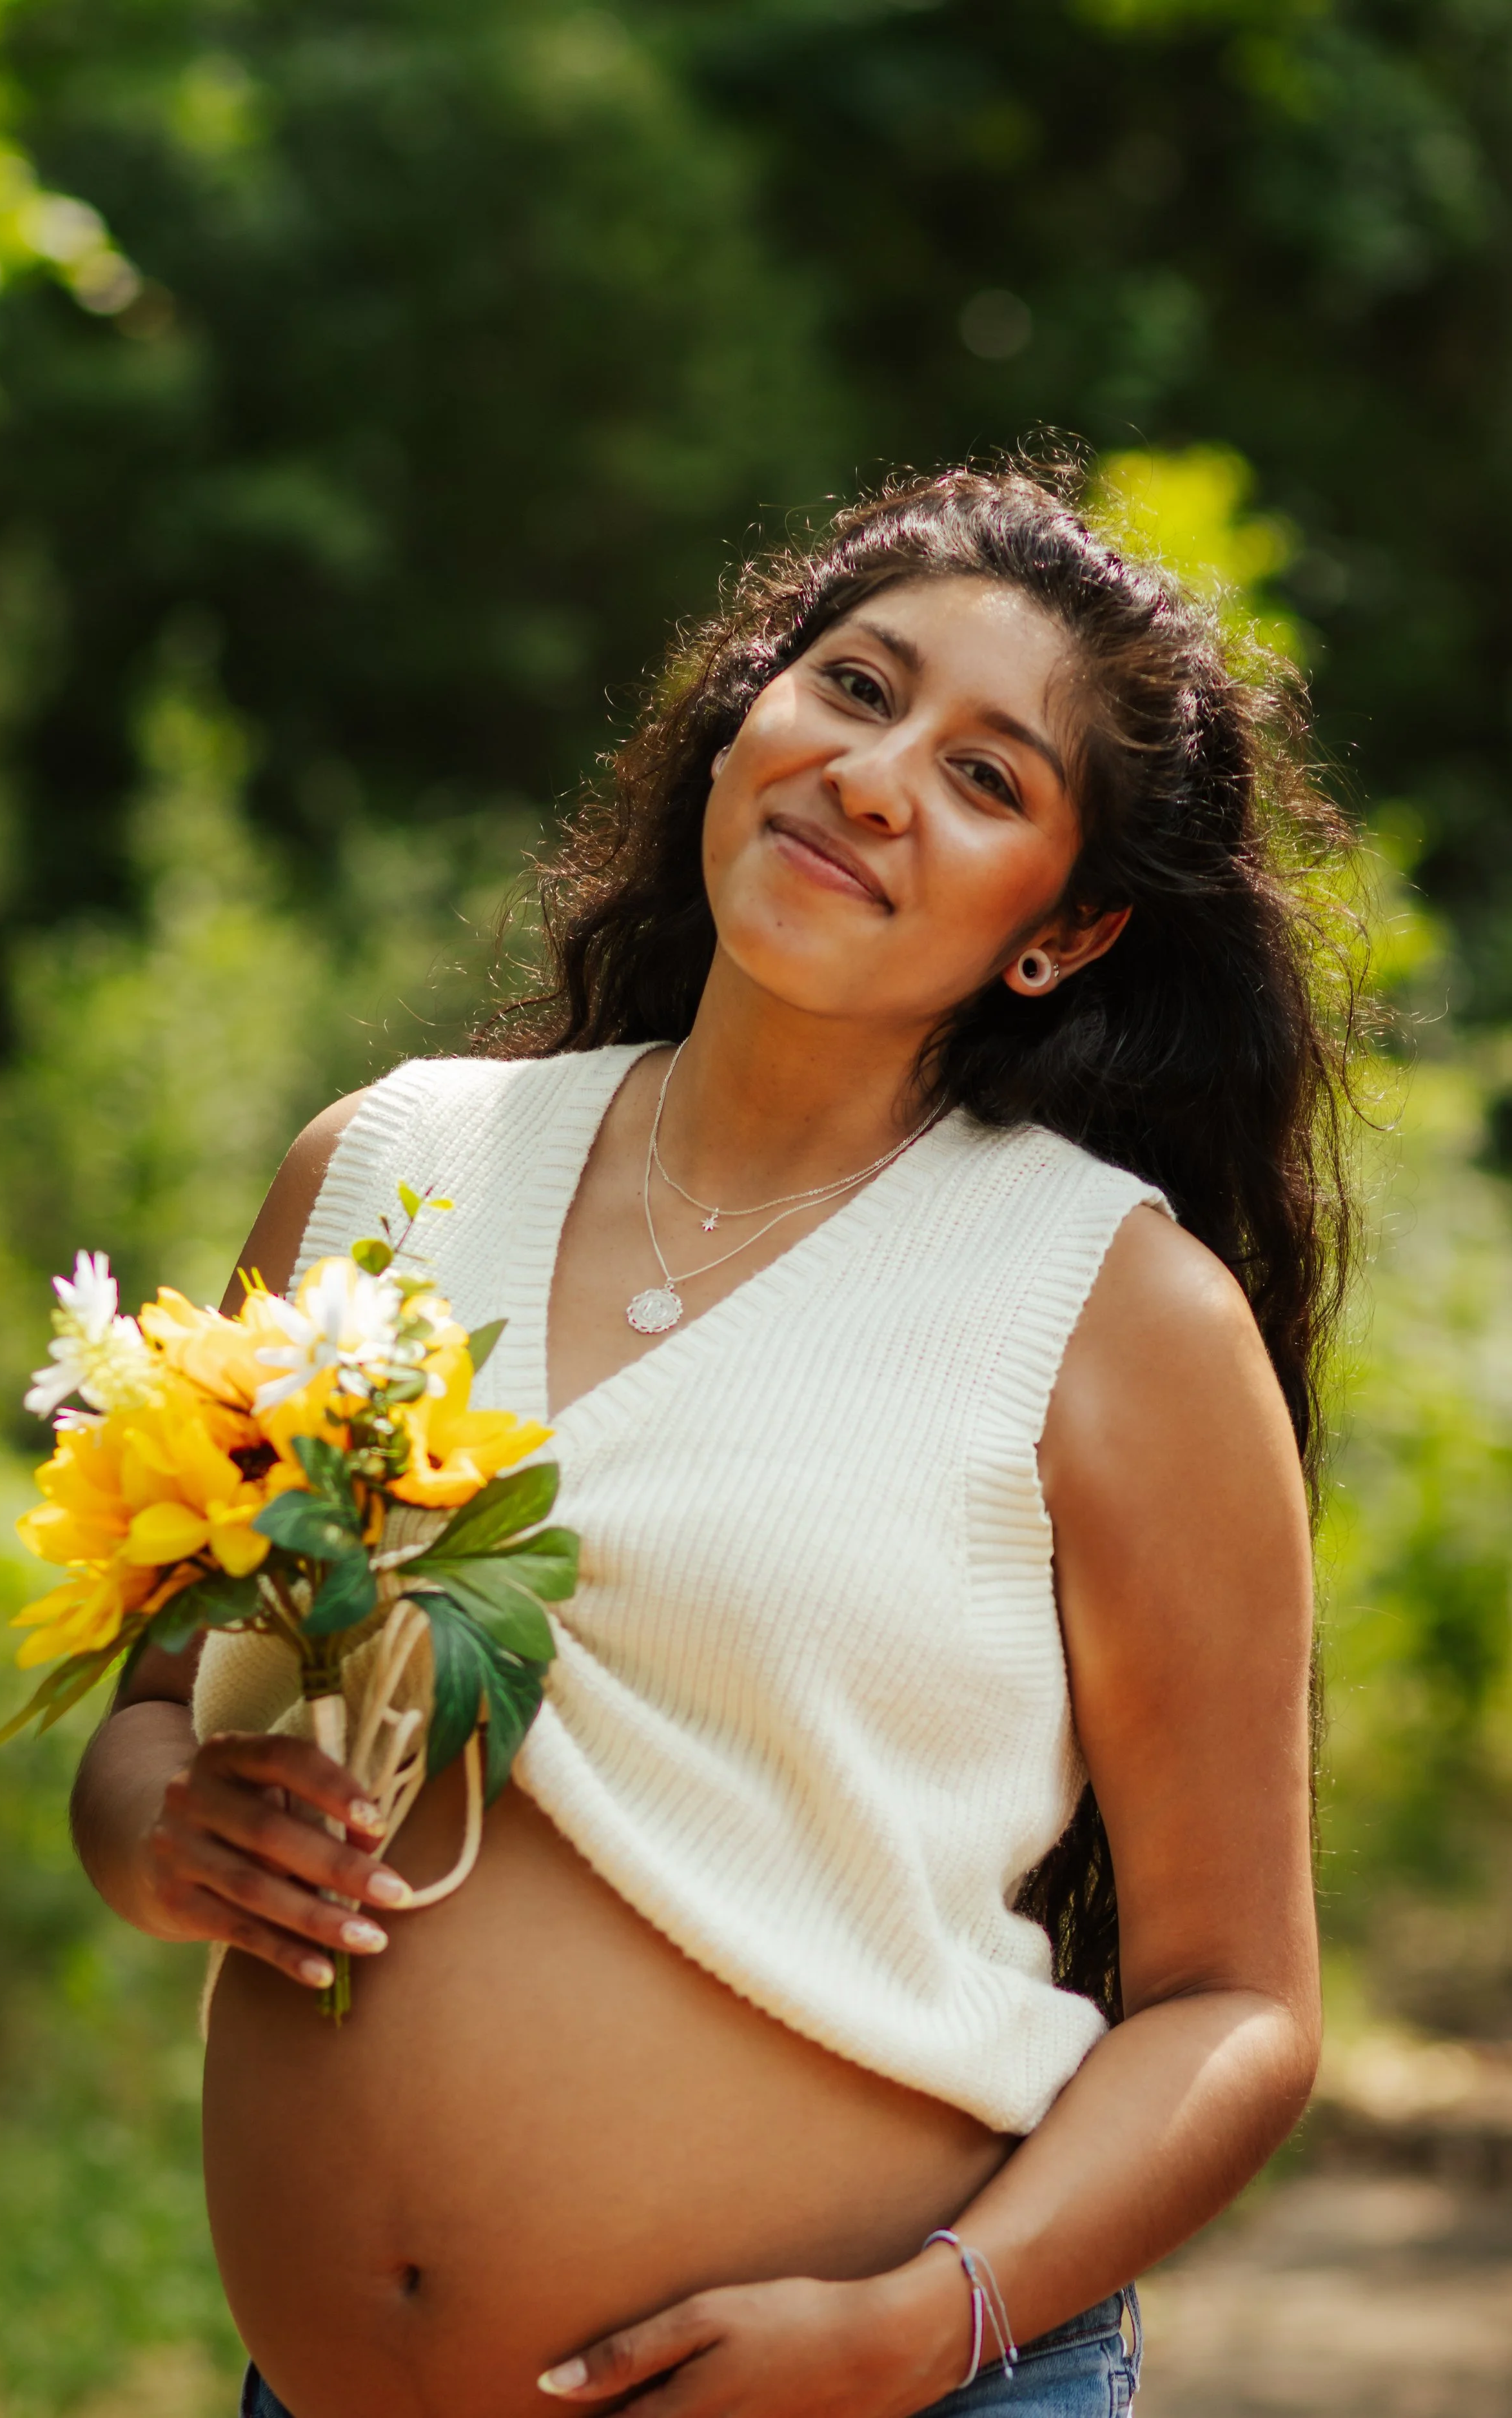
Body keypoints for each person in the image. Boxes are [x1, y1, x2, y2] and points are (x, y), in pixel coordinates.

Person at [70, 464, 1354, 2418]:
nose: (872, 776)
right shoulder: (385, 1171)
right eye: (852, 687)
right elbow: (152, 1722)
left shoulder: (1109, 1310)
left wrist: (926, 2324)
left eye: (988, 778)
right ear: (743, 713)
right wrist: (167, 1828)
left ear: (1065, 934)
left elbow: (1237, 2005)